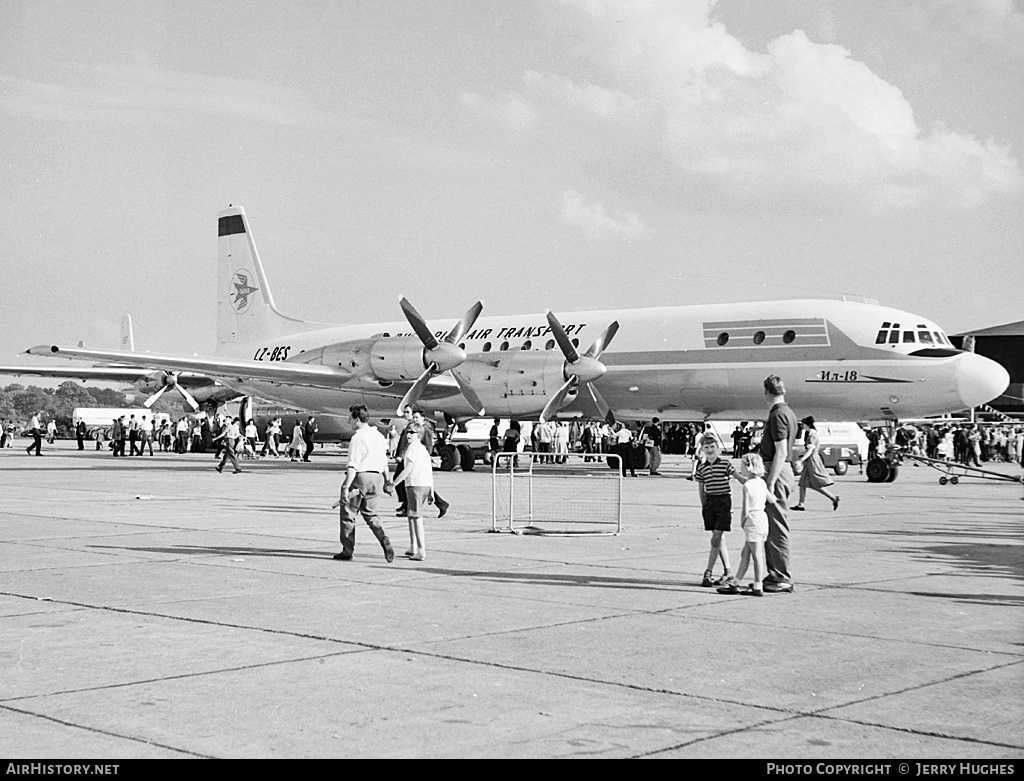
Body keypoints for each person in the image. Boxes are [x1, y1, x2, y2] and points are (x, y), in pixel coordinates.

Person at [331, 404, 394, 563]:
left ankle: (347, 550)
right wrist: (388, 481)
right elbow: (384, 461)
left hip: (361, 478)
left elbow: (353, 464)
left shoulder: (358, 437)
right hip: (377, 478)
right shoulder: (379, 436)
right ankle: (383, 538)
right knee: (371, 514)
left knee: (348, 514)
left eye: (350, 418)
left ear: (357, 419)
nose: (348, 421)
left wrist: (346, 487)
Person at [758, 375, 799, 593]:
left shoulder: (777, 415)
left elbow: (781, 451)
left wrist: (770, 482)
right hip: (781, 470)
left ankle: (782, 576)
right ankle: (774, 574)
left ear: (767, 392)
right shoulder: (788, 412)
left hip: (776, 471)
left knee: (776, 527)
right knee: (772, 525)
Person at [717, 453, 772, 596]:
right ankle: (735, 583)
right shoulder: (761, 482)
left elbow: (745, 509)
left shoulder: (747, 485)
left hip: (752, 519)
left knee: (756, 555)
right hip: (762, 518)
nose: (740, 468)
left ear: (748, 467)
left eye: (742, 465)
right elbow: (771, 499)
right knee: (745, 553)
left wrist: (743, 522)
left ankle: (758, 585)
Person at [695, 434, 734, 587]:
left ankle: (708, 571)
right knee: (718, 539)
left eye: (712, 447)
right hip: (710, 503)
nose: (710, 450)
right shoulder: (702, 467)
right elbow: (701, 488)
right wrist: (703, 505)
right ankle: (728, 571)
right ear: (702, 449)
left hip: (723, 502)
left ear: (717, 448)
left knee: (716, 538)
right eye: (706, 447)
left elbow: (737, 475)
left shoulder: (724, 464)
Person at [392, 422, 433, 561]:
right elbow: (429, 470)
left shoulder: (412, 449)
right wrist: (431, 490)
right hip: (424, 484)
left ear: (419, 435)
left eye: (412, 432)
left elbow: (408, 469)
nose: (409, 434)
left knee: (416, 518)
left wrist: (394, 483)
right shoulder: (423, 450)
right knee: (411, 515)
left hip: (415, 485)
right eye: (408, 432)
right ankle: (413, 545)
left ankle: (421, 550)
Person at [792, 416, 840, 512]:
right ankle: (801, 504)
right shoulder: (812, 434)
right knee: (802, 483)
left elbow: (810, 450)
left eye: (804, 424)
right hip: (810, 460)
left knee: (814, 484)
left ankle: (833, 498)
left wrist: (801, 460)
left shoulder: (812, 436)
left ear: (807, 425)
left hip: (812, 461)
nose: (803, 426)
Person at [412, 409, 449, 517]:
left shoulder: (425, 430)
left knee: (423, 484)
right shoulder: (415, 428)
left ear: (422, 418)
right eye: (413, 417)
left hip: (421, 461)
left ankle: (441, 503)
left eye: (416, 417)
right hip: (415, 459)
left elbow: (428, 446)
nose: (414, 419)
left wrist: (424, 458)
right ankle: (441, 504)